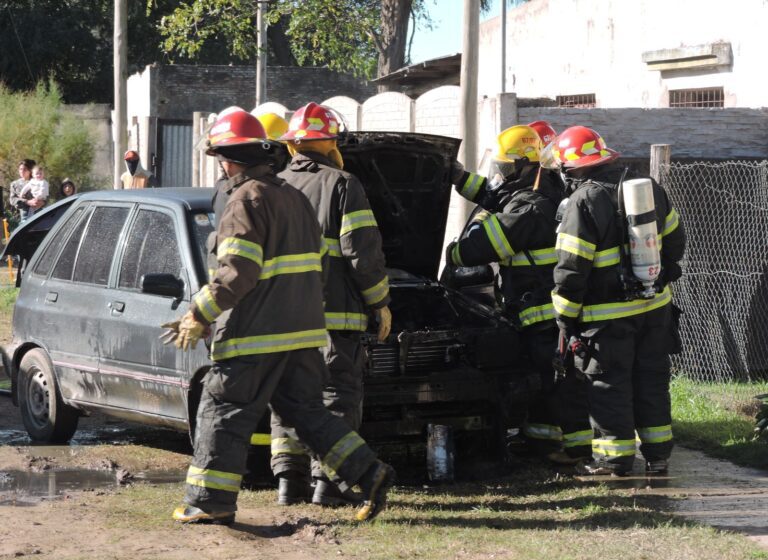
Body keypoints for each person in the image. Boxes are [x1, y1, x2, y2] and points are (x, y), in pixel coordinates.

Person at [161, 108, 394, 525]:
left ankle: (209, 500)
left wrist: (199, 313)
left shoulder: (245, 200)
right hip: (305, 332)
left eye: (221, 161)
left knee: (223, 407)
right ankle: (370, 473)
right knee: (308, 413)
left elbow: (237, 271)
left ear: (228, 160)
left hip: (255, 334)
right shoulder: (294, 198)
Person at [445, 124, 592, 463]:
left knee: (559, 381)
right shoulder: (535, 188)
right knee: (542, 378)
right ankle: (541, 442)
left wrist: (455, 253)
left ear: (527, 165)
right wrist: (458, 178)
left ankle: (578, 449)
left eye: (507, 167)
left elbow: (489, 243)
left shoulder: (531, 205)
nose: (502, 173)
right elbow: (494, 194)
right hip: (538, 309)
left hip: (544, 310)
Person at [270, 102, 392, 507]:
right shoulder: (343, 184)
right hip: (334, 319)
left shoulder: (273, 187)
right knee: (335, 399)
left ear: (293, 145)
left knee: (290, 401)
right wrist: (381, 304)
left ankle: (289, 486)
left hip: (285, 320)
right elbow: (362, 253)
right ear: (330, 142)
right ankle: (328, 487)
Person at [547, 125, 686, 476]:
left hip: (606, 318)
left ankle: (615, 461)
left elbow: (571, 268)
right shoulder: (647, 187)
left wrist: (565, 317)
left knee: (610, 384)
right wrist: (662, 274)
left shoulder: (583, 201)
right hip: (655, 308)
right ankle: (658, 458)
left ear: (572, 167)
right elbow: (675, 240)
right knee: (652, 380)